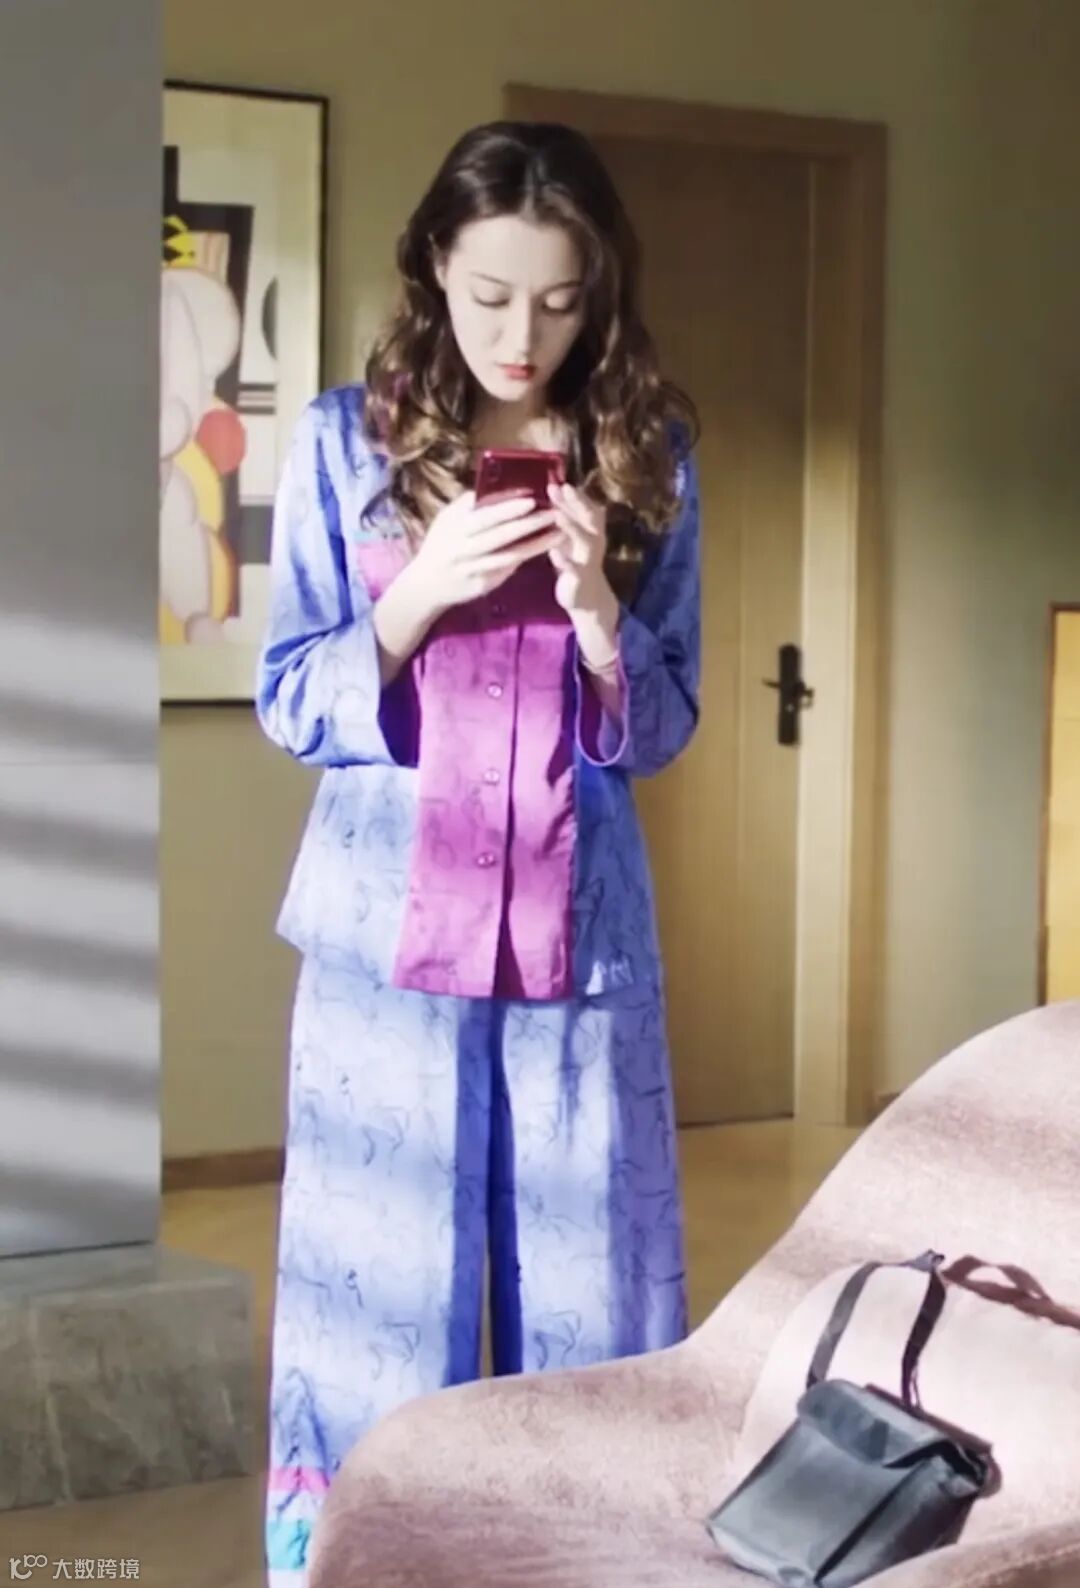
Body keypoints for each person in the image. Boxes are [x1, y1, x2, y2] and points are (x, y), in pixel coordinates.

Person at [257, 119, 701, 1583]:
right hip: (383, 939)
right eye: (492, 294)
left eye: (561, 302)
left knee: (593, 1299)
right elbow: (291, 698)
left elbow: (667, 722)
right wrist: (414, 599)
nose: (523, 336)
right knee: (380, 1302)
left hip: (583, 943)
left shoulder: (649, 455)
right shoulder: (344, 443)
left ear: (600, 292)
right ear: (436, 266)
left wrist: (597, 619)